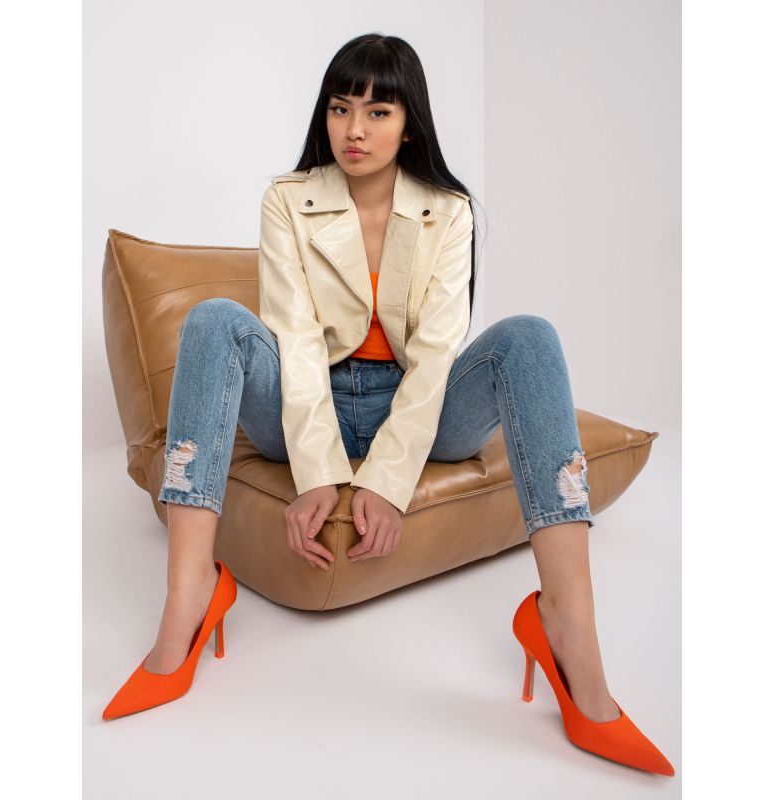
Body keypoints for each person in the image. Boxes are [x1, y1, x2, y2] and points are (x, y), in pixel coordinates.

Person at [101, 32, 674, 777]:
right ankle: (189, 599)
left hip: (418, 410)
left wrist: (385, 483)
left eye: (378, 112)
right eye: (341, 108)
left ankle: (568, 629)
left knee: (530, 337)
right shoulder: (288, 200)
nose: (355, 129)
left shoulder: (449, 211)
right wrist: (319, 474)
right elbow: (294, 342)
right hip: (306, 405)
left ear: (410, 123)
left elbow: (436, 355)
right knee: (213, 320)